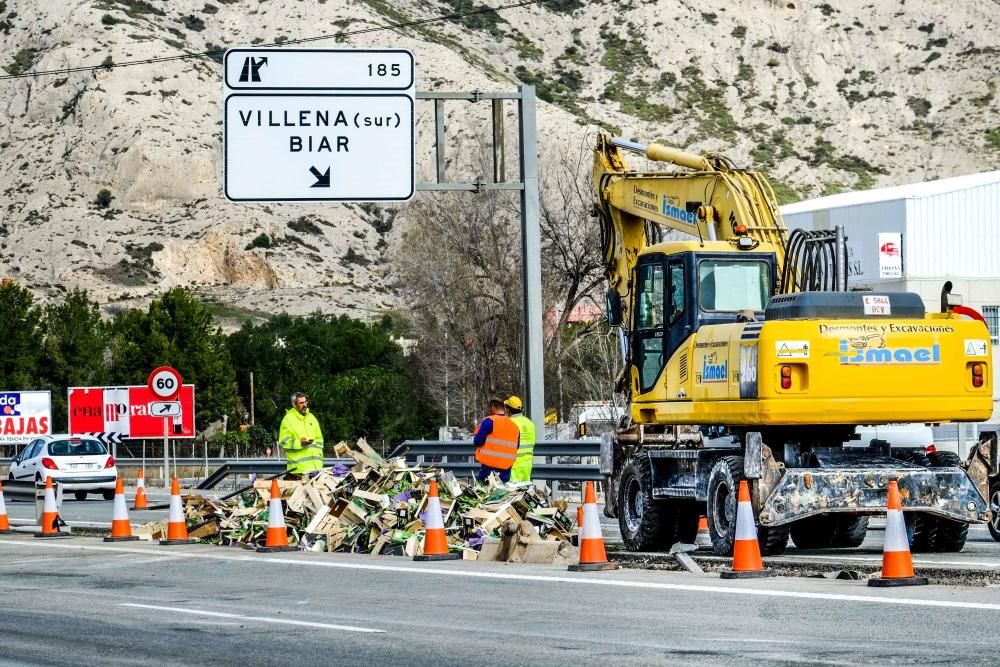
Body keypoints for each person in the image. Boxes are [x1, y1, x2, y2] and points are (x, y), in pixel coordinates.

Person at [472, 398, 520, 483]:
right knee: (502, 492)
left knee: (483, 490)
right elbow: (516, 446)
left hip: (489, 467)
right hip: (506, 467)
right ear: (504, 408)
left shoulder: (489, 421)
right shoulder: (514, 426)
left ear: (493, 407)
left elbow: (478, 441)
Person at [278, 392, 324, 477]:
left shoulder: (311, 417)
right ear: (294, 405)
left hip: (316, 468)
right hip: (298, 470)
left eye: (305, 402)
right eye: (301, 403)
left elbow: (319, 439)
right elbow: (284, 441)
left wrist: (319, 458)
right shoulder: (288, 419)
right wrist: (300, 443)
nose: (305, 405)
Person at [504, 395, 536, 483]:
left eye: (506, 407)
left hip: (514, 464)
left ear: (508, 409)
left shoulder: (508, 423)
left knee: (513, 492)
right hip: (527, 464)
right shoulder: (530, 423)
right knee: (524, 491)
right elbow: (532, 442)